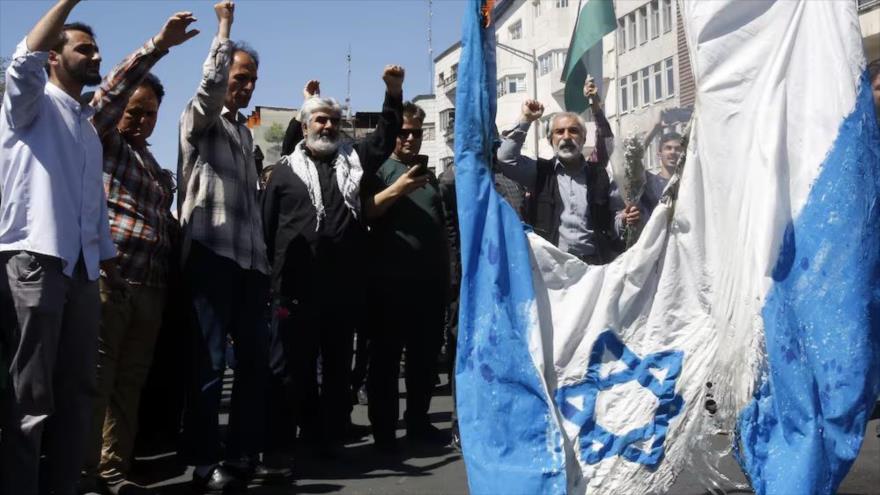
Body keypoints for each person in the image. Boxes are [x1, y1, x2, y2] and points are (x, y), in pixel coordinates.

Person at [0, 1, 128, 492]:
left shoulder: (87, 127)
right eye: (85, 48)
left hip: (82, 272)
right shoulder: (28, 103)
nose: (96, 56)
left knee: (77, 392)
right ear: (56, 56)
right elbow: (23, 60)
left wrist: (109, 266)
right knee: (29, 398)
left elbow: (91, 208)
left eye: (97, 48)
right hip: (35, 260)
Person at [79, 12, 199, 495]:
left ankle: (112, 471)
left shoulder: (150, 163)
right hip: (109, 280)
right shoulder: (100, 140)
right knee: (97, 381)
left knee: (129, 385)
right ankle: (83, 472)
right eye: (133, 110)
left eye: (148, 113)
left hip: (149, 288)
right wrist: (157, 46)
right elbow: (106, 98)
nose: (139, 119)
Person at [261, 69, 403, 455]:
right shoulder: (285, 172)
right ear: (305, 126)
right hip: (295, 288)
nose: (327, 126)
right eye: (320, 120)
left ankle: (332, 435)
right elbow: (268, 229)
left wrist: (393, 92)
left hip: (342, 288)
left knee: (339, 368)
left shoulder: (352, 161)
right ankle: (293, 440)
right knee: (295, 367)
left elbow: (385, 137)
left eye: (334, 121)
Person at [176, 2, 272, 491]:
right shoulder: (201, 119)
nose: (245, 84)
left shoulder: (243, 134)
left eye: (252, 77)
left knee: (254, 363)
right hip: (212, 255)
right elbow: (209, 88)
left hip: (250, 263)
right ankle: (201, 461)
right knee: (210, 362)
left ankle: (239, 457)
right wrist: (224, 29)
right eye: (239, 75)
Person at [362, 102, 449, 452]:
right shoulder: (379, 169)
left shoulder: (429, 177)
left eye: (416, 132)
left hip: (428, 284)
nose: (410, 139)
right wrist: (398, 189)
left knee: (424, 359)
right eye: (403, 133)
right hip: (388, 285)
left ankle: (418, 421)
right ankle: (384, 431)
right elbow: (367, 211)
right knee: (384, 360)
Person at [496, 81, 639, 264]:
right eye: (559, 132)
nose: (566, 137)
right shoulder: (540, 173)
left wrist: (624, 221)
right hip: (551, 268)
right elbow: (505, 159)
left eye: (573, 131)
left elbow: (610, 223)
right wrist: (526, 119)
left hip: (593, 267)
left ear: (583, 138)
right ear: (550, 140)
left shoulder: (599, 175)